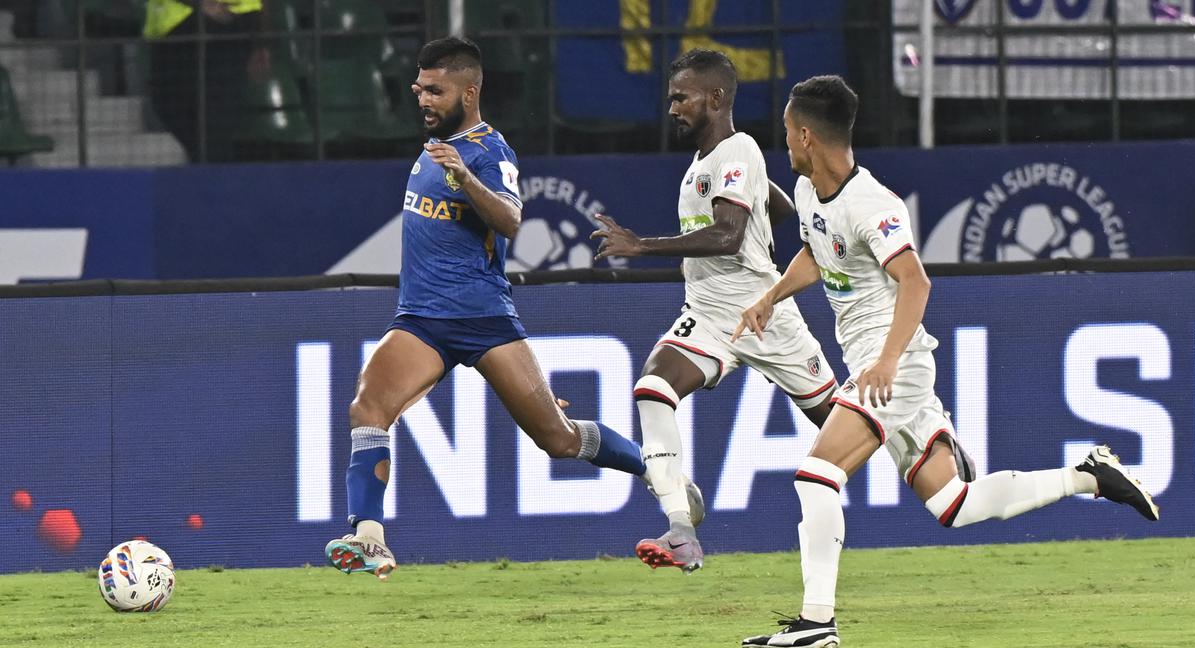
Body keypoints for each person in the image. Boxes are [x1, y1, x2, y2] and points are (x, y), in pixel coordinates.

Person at [733, 75, 1160, 648]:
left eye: (786, 133)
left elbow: (915, 280)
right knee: (952, 505)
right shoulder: (811, 194)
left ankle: (817, 624)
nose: (782, 144)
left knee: (817, 476)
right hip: (879, 366)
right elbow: (817, 250)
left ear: (807, 136)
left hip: (895, 368)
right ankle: (1087, 475)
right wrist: (771, 296)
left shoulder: (872, 203)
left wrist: (885, 363)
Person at [325, 37, 647, 580]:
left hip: (482, 319)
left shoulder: (488, 151)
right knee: (368, 407)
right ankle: (370, 538)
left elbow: (512, 221)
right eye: (419, 89)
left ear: (469, 91)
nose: (423, 100)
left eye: (436, 90)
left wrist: (465, 177)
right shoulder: (436, 145)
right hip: (422, 319)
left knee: (559, 439)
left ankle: (656, 468)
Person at [591, 50, 838, 574]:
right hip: (708, 315)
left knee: (842, 423)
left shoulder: (738, 147)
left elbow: (727, 237)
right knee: (653, 387)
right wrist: (761, 190)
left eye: (682, 97)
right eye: (671, 98)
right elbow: (782, 211)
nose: (673, 107)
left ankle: (925, 442)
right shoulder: (712, 163)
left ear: (717, 97)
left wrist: (641, 245)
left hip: (763, 316)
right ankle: (681, 526)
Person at [144, 0, 270, 162]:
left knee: (211, 116)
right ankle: (210, 170)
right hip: (187, 23)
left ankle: (213, 174)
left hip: (209, 20)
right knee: (177, 106)